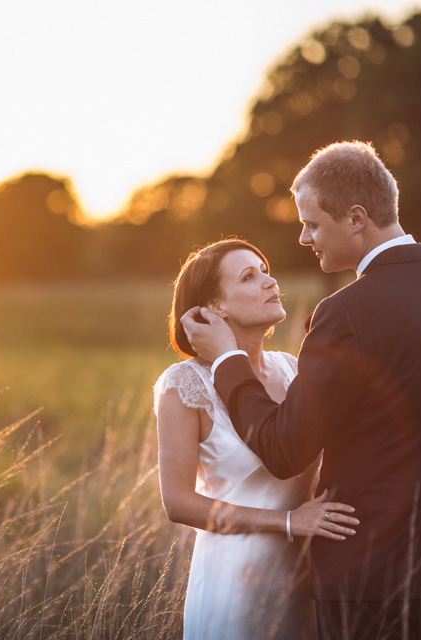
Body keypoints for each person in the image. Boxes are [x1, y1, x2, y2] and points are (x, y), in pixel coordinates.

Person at [181, 141, 421, 640]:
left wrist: (226, 360)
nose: (304, 237)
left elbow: (286, 450)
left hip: (366, 571)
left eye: (311, 223)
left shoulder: (342, 314)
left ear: (355, 218)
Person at [154, 238, 358, 640]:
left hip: (304, 576)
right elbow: (178, 503)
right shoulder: (184, 384)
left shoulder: (294, 369)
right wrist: (287, 522)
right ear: (214, 309)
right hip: (234, 580)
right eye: (249, 276)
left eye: (265, 270)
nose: (269, 281)